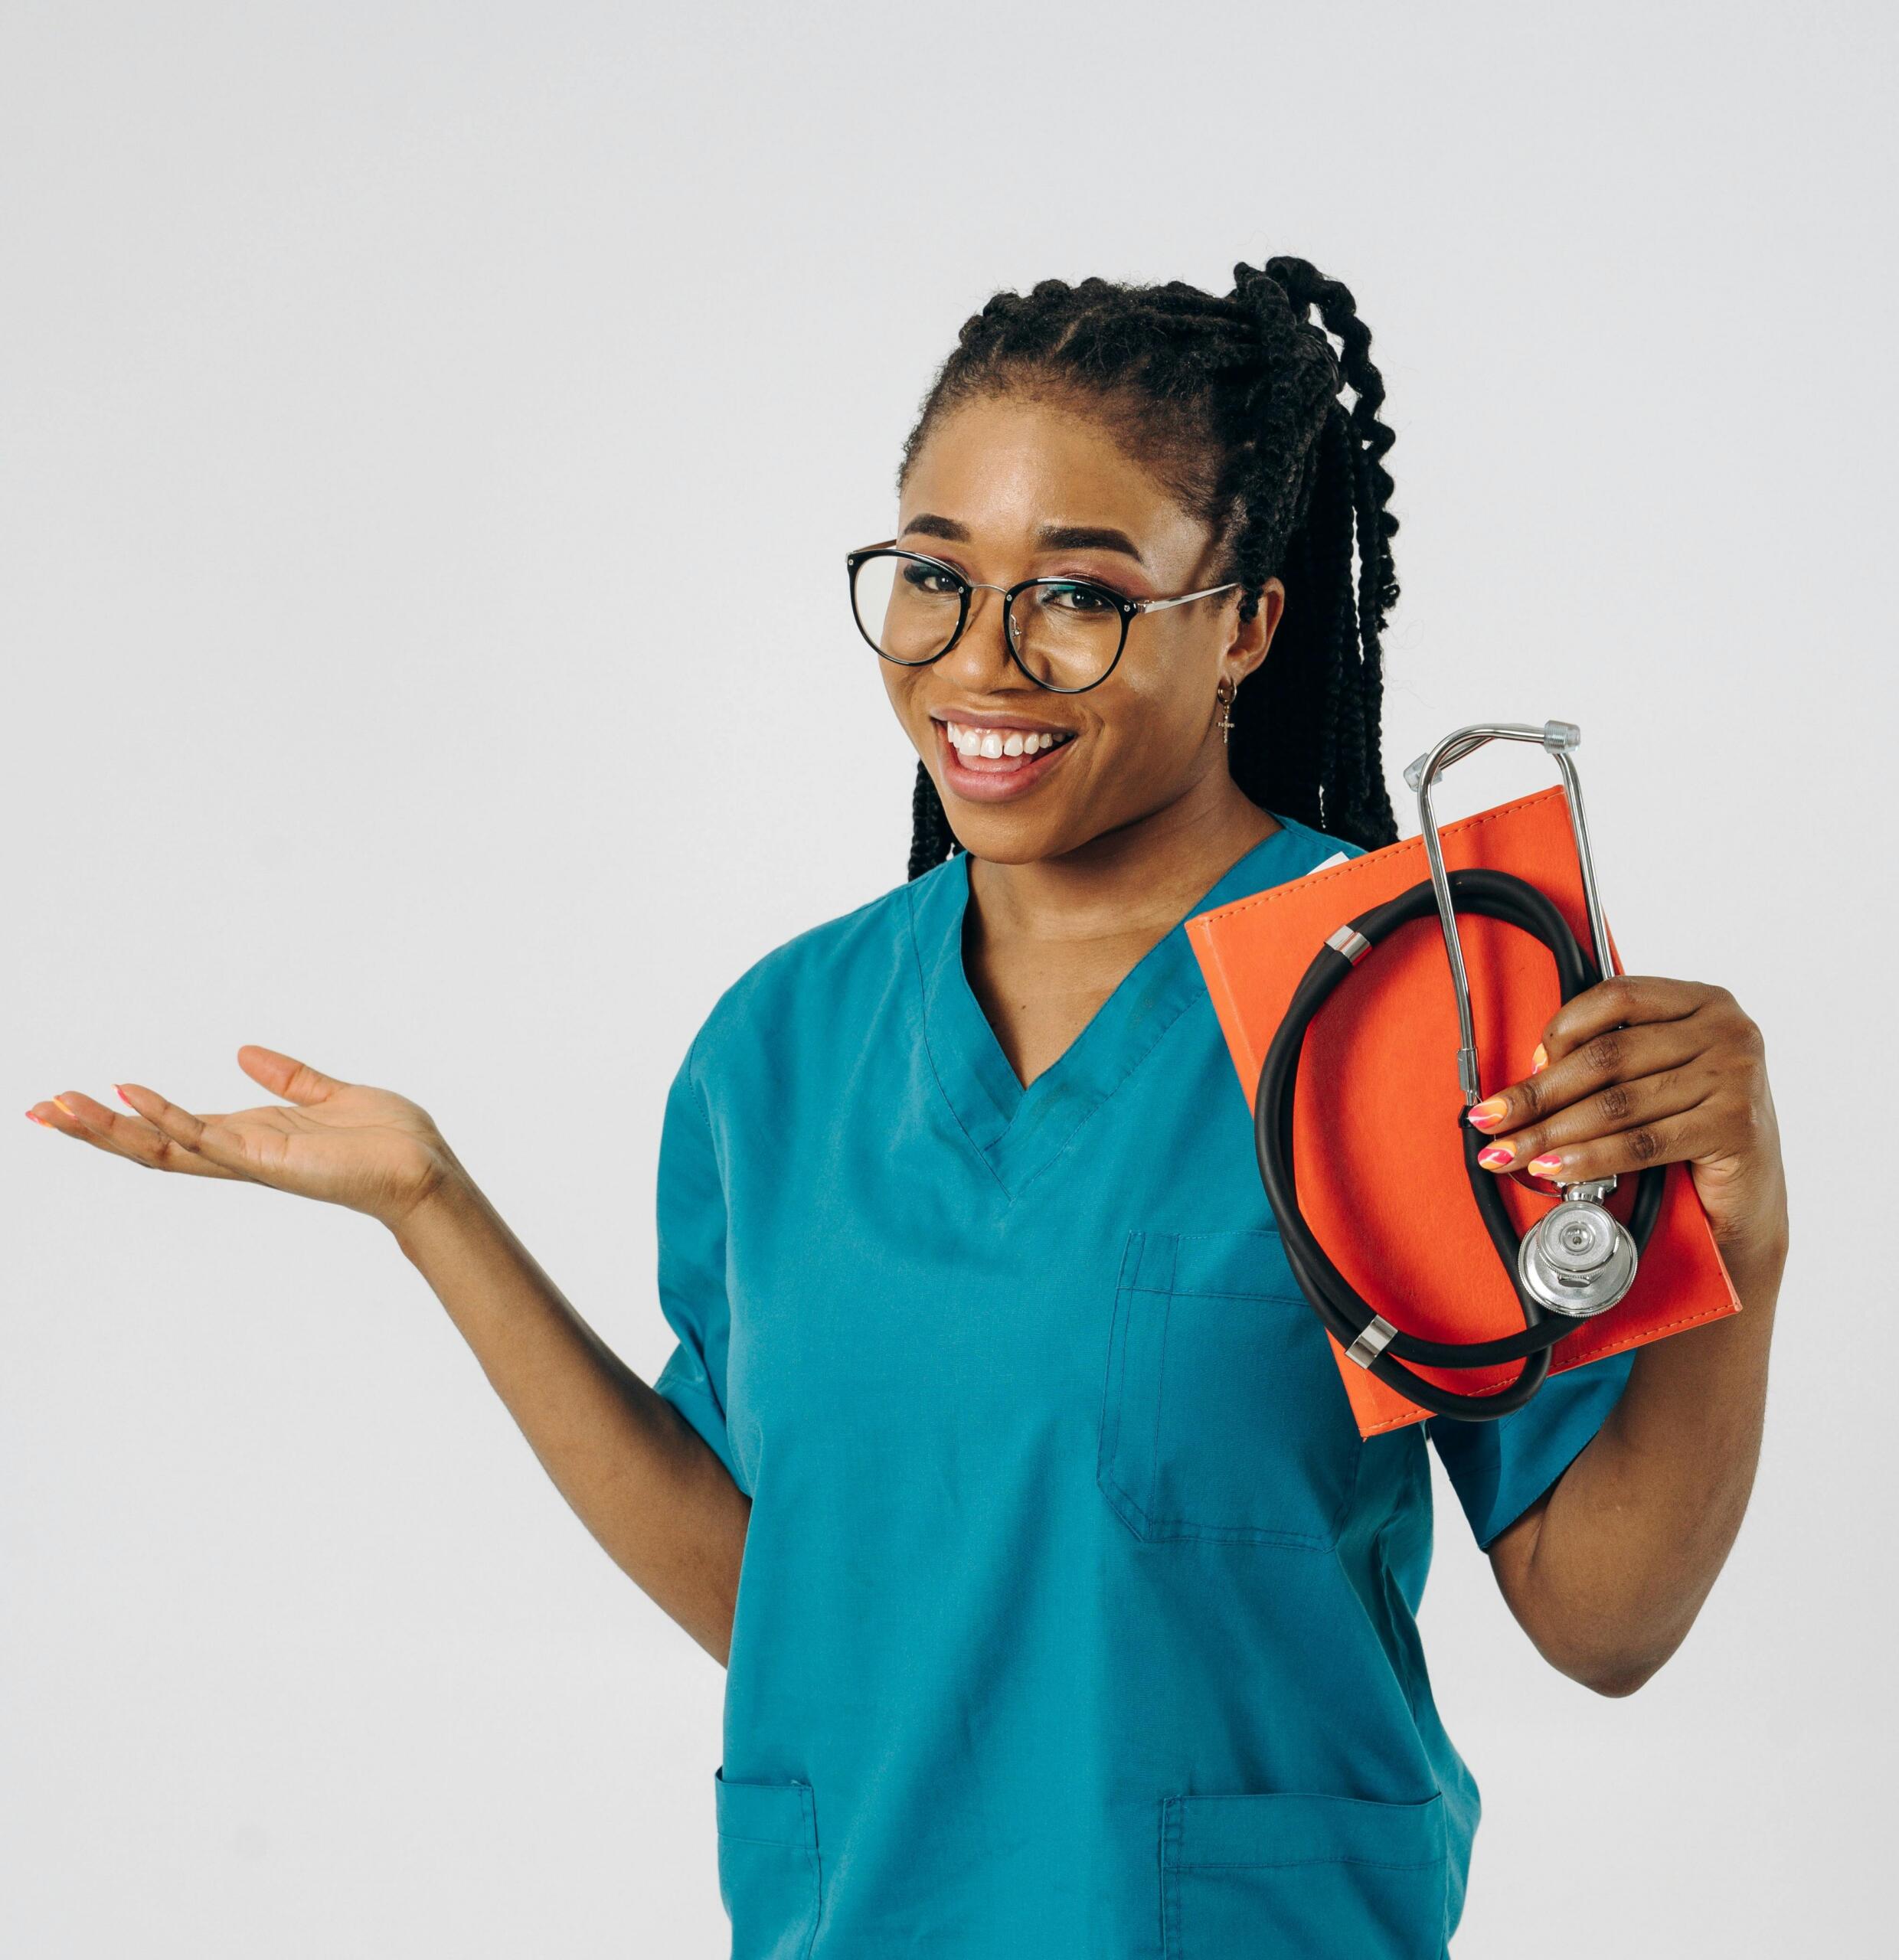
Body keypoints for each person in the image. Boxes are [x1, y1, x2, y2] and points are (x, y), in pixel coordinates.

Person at [29, 256, 1790, 1959]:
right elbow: (785, 1596)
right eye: (933, 577)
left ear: (1246, 619)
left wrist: (1747, 1240)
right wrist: (433, 1204)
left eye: (1081, 593)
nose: (982, 661)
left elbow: (1603, 1616)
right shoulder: (779, 1045)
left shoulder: (1412, 1006)